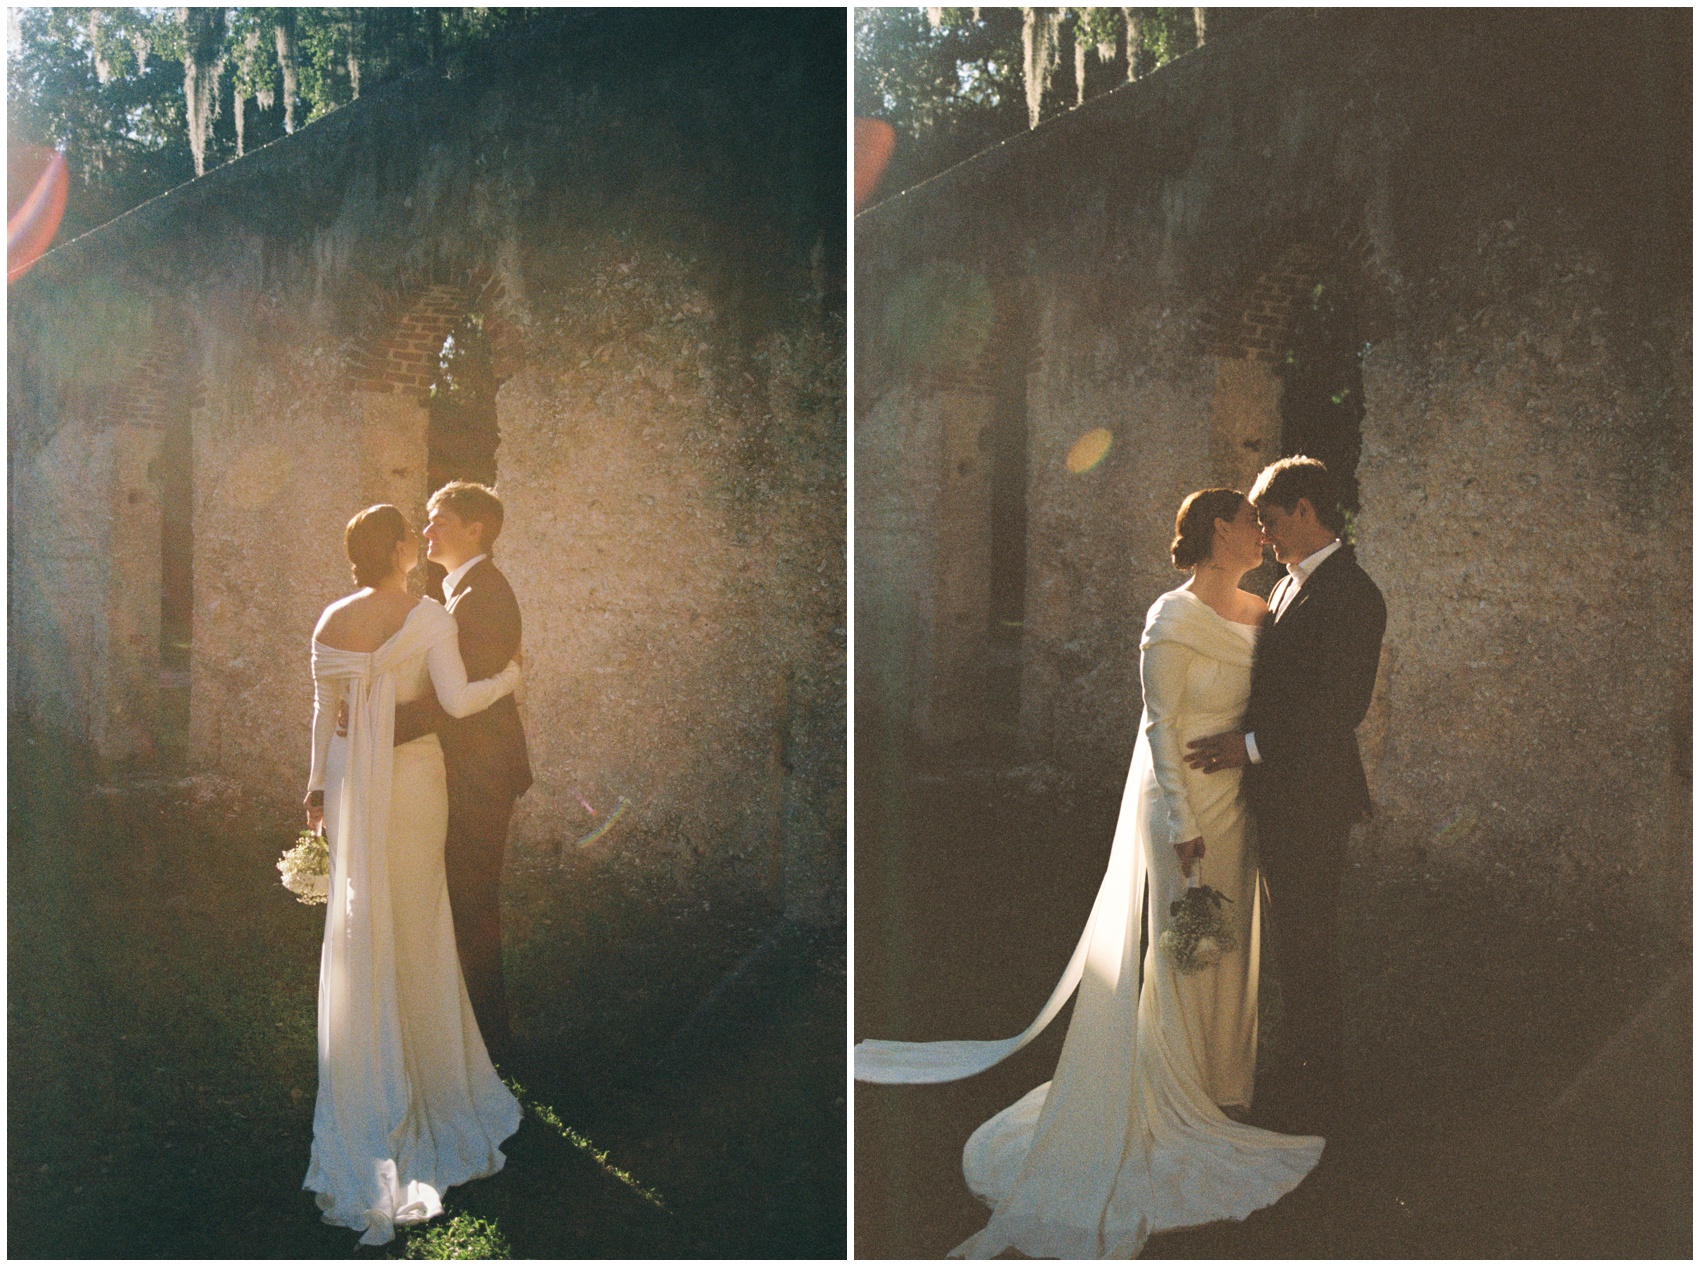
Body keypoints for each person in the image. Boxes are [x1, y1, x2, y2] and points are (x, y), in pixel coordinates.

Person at [854, 488, 1323, 1259]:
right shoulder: (1169, 619)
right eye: (1249, 522)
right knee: (1188, 945)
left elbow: (1269, 705)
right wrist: (1181, 822)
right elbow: (1161, 726)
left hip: (1235, 801)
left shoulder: (1264, 608)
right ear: (1217, 529)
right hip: (1183, 808)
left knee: (1229, 944)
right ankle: (1178, 1096)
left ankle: (1218, 1084)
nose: (1261, 533)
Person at [303, 503, 524, 1245]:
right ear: (398, 549)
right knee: (420, 919)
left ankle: (369, 1075)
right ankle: (432, 1078)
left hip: (348, 784)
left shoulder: (332, 617)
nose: (419, 544)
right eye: (412, 536)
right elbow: (459, 700)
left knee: (362, 918)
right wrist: (511, 678)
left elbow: (322, 709)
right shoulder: (429, 616)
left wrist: (312, 786)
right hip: (413, 783)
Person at [1186, 456, 1386, 1131]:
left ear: (1305, 510)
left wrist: (1245, 749)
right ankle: (1300, 1063)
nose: (1263, 535)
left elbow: (1338, 708)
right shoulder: (1282, 587)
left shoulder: (1355, 594)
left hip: (1316, 797)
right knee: (1291, 937)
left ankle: (1318, 1084)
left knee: (1310, 937)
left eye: (1269, 520)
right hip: (1277, 794)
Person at [385, 480, 533, 1065]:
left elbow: (456, 698)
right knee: (457, 899)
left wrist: (375, 724)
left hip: (483, 775)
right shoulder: (461, 591)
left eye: (438, 521)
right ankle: (468, 1036)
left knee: (472, 902)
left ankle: (490, 1046)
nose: (426, 532)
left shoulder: (485, 595)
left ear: (476, 529)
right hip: (464, 770)